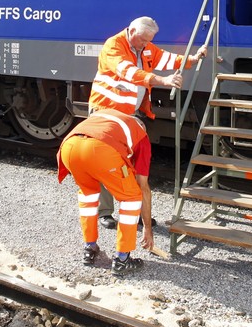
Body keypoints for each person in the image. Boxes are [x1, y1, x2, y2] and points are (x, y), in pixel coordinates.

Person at [88, 16, 206, 229]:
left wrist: (194, 59)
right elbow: (128, 72)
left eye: (148, 40)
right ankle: (104, 212)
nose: (145, 44)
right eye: (142, 40)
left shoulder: (146, 48)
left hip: (130, 115)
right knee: (104, 162)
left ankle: (134, 211)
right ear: (131, 32)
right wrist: (163, 80)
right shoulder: (113, 46)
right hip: (105, 112)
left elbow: (168, 59)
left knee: (132, 164)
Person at [57, 108, 154, 274]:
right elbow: (143, 187)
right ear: (142, 126)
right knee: (131, 198)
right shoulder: (141, 135)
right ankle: (122, 259)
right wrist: (147, 228)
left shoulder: (109, 116)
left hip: (69, 147)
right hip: (99, 149)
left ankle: (89, 249)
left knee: (88, 196)